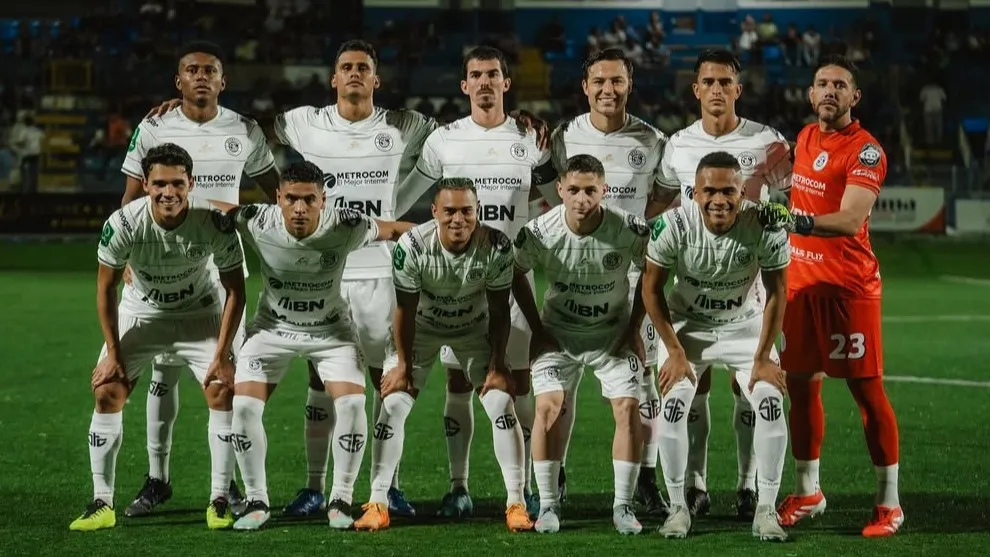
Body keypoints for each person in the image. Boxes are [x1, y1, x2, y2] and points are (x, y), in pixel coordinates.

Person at [147, 39, 546, 518]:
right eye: (346, 68)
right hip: (326, 275)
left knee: (387, 382)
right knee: (320, 379)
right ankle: (317, 487)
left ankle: (386, 487)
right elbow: (244, 130)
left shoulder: (405, 126)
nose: (355, 74)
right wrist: (185, 111)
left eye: (364, 68)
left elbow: (476, 129)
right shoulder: (302, 122)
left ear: (376, 79)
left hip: (380, 273)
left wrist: (518, 118)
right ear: (333, 78)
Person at [204, 161, 414, 530]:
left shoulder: (347, 224)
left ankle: (341, 499)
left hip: (331, 332)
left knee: (351, 405)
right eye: (291, 199)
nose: (300, 208)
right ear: (278, 198)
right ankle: (257, 501)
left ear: (323, 199)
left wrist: (446, 235)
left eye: (309, 200)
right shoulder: (257, 220)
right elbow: (214, 210)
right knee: (244, 410)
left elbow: (395, 229)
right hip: (272, 330)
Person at [395, 46, 558, 518]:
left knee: (517, 384)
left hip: (514, 283)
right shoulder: (444, 140)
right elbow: (402, 199)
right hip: (456, 287)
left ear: (507, 83)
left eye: (493, 75)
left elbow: (558, 199)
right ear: (464, 86)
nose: (484, 82)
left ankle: (525, 488)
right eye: (475, 75)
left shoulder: (530, 138)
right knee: (458, 385)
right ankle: (459, 486)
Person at [121, 40, 279, 517]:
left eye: (210, 70)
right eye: (192, 69)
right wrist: (129, 251)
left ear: (222, 80)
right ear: (178, 81)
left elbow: (276, 194)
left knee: (221, 377)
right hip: (162, 264)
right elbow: (129, 197)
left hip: (220, 271)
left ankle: (224, 486)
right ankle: (157, 478)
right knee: (161, 378)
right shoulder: (154, 125)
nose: (202, 77)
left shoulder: (244, 130)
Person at [760, 54, 904, 538]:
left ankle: (889, 504)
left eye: (839, 85)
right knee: (800, 386)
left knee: (867, 393)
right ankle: (808, 491)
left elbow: (849, 219)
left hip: (849, 290)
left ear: (854, 97)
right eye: (821, 83)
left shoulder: (866, 151)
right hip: (801, 287)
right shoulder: (802, 137)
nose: (829, 91)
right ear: (809, 92)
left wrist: (796, 222)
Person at [69, 143, 246, 531]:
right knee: (107, 390)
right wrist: (112, 355)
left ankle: (219, 498)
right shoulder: (124, 224)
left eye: (178, 183)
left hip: (201, 312)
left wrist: (222, 355)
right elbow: (105, 290)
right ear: (146, 184)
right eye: (160, 184)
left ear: (191, 183)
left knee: (222, 388)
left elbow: (236, 290)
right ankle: (102, 502)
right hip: (144, 311)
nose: (169, 192)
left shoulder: (213, 221)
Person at [654, 47, 793, 518]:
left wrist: (782, 217)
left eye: (725, 81)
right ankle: (694, 483)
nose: (716, 89)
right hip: (693, 290)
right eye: (708, 82)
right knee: (696, 385)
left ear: (738, 88)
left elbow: (787, 205)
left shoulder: (768, 143)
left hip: (748, 293)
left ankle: (748, 483)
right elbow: (662, 208)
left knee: (748, 386)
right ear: (696, 89)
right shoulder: (676, 146)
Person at [353, 177, 532, 533]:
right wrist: (403, 366)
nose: (458, 219)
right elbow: (404, 310)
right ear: (434, 212)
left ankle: (517, 502)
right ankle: (377, 501)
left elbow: (499, 311)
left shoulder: (496, 245)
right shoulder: (412, 247)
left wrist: (498, 363)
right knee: (393, 403)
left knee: (500, 403)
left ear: (477, 211)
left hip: (473, 331)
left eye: (467, 210)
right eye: (449, 210)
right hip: (421, 330)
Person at [547, 47, 678, 514]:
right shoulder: (562, 138)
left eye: (616, 81)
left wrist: (639, 240)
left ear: (629, 85)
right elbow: (549, 197)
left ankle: (646, 478)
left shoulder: (654, 141)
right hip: (574, 281)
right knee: (562, 384)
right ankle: (554, 475)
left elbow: (663, 201)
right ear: (585, 87)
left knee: (642, 384)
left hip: (633, 284)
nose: (608, 89)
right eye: (598, 81)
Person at [643, 151, 790, 541]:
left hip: (745, 327)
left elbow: (777, 290)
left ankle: (766, 509)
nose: (719, 200)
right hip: (688, 329)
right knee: (674, 407)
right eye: (710, 191)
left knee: (771, 402)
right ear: (694, 192)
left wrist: (762, 357)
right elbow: (651, 289)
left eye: (729, 191)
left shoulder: (764, 223)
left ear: (744, 192)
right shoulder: (673, 224)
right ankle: (677, 508)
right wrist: (674, 351)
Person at [512, 154, 649, 535]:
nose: (582, 199)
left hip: (611, 333)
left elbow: (653, 269)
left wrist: (635, 325)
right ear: (559, 190)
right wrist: (537, 329)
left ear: (604, 190)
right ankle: (549, 506)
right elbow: (515, 269)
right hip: (559, 333)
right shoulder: (540, 231)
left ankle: (623, 506)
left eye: (591, 190)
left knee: (627, 408)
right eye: (573, 190)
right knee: (547, 409)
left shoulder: (629, 229)